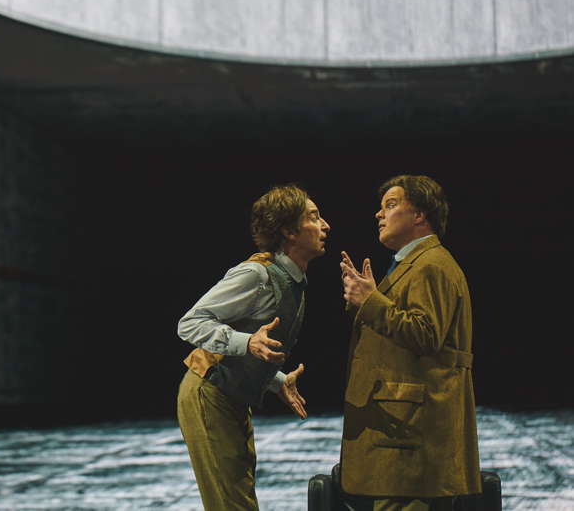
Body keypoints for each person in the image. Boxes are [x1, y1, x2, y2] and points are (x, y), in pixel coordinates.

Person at [176, 184, 328, 510]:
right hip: (209, 391)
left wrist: (275, 380)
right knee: (231, 503)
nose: (325, 226)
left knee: (239, 496)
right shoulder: (257, 273)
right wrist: (247, 342)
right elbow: (191, 323)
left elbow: (254, 345)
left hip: (231, 396)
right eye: (314, 217)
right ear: (288, 230)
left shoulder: (294, 280)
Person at [339, 175, 480, 511]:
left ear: (419, 215)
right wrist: (366, 302)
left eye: (390, 205)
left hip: (413, 437)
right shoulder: (412, 265)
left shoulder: (431, 265)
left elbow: (425, 334)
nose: (379, 214)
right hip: (404, 434)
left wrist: (371, 300)